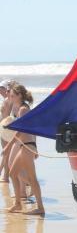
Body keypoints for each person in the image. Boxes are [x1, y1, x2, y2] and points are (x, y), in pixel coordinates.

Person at [3, 83, 44, 215]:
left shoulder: (23, 109)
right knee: (13, 173)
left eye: (13, 95)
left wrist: (8, 146)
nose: (10, 97)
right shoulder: (21, 108)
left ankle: (40, 208)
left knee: (32, 178)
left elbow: (22, 131)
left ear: (20, 95)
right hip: (25, 146)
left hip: (27, 146)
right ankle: (18, 205)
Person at [0, 80, 16, 182]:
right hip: (5, 128)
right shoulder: (9, 100)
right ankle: (5, 175)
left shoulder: (8, 100)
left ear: (7, 89)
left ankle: (5, 176)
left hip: (5, 128)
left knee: (6, 152)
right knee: (8, 152)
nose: (0, 91)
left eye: (1, 89)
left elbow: (7, 116)